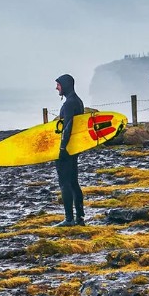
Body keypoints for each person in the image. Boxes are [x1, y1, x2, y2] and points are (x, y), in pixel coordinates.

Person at [54, 73, 85, 226]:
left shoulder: (68, 104)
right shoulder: (78, 102)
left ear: (65, 85)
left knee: (64, 183)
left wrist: (62, 148)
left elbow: (68, 127)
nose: (56, 88)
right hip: (74, 148)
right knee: (73, 182)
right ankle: (80, 217)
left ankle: (69, 219)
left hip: (66, 149)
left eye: (58, 85)